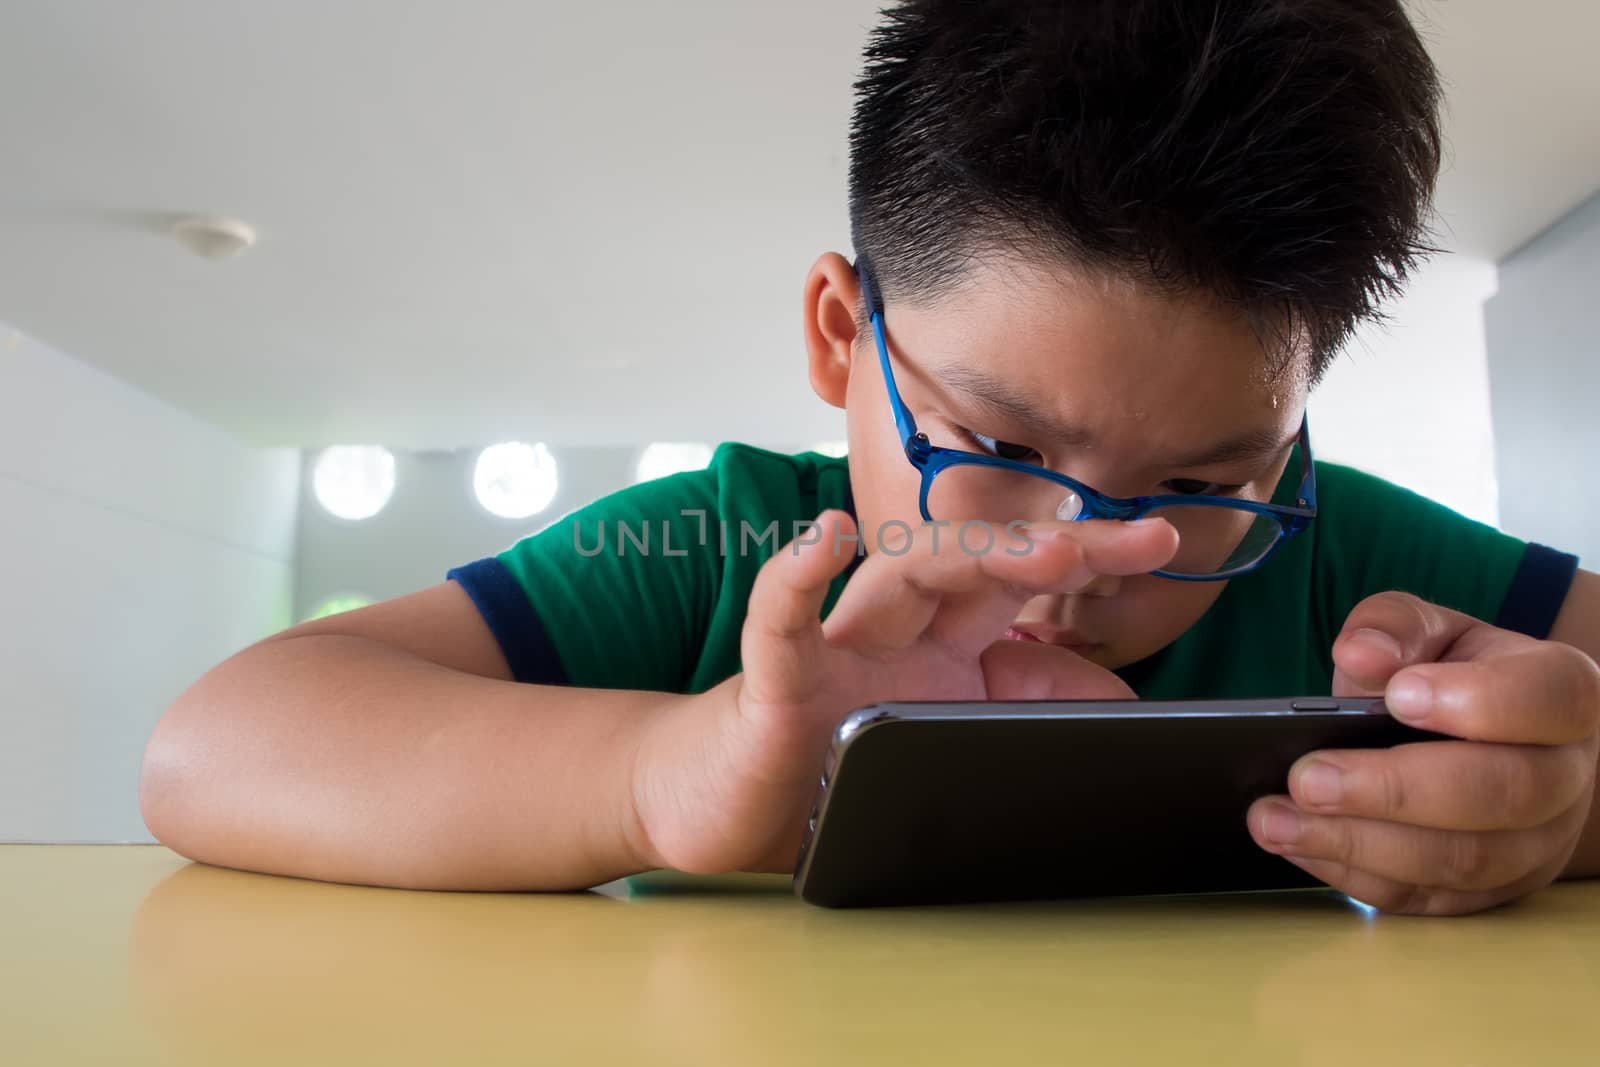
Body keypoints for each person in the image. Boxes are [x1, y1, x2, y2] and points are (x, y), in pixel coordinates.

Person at [141, 0, 1600, 915]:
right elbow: (216, 746)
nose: (1084, 552)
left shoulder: (1358, 570)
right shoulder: (721, 553)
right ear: (844, 338)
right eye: (1000, 444)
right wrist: (672, 775)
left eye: (1209, 485)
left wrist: (1559, 803)